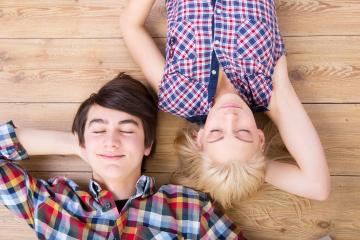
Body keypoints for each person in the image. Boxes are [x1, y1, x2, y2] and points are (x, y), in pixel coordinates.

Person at [119, 0, 330, 208]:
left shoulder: (179, 94)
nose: (230, 118)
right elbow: (318, 186)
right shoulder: (272, 91)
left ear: (200, 138)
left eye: (217, 133)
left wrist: (244, 156)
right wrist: (250, 165)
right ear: (260, 138)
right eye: (243, 133)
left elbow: (130, 26)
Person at [0, 73, 245, 239]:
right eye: (98, 130)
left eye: (127, 130)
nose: (111, 141)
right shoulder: (53, 206)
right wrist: (78, 145)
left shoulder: (191, 209)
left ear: (147, 144)